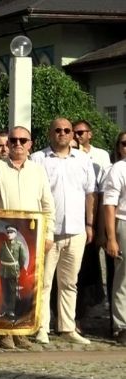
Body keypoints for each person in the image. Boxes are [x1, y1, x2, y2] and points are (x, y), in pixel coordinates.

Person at [0, 126, 56, 349]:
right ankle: (5, 331)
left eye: (23, 140)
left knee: (27, 284)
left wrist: (49, 235)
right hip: (4, 237)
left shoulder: (38, 171)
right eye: (13, 140)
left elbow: (48, 206)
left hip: (32, 238)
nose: (18, 144)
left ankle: (22, 330)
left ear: (30, 144)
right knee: (5, 285)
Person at [30, 118, 96, 345]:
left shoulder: (83, 159)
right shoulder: (38, 159)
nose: (63, 133)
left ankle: (67, 327)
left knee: (69, 283)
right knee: (44, 282)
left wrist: (89, 224)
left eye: (67, 130)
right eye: (58, 130)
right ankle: (41, 327)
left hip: (76, 229)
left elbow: (90, 194)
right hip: (49, 231)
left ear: (72, 134)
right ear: (50, 133)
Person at [73, 119, 111, 321]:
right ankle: (78, 309)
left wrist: (99, 225)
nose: (77, 135)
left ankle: (92, 302)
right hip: (76, 213)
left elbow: (103, 189)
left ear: (90, 134)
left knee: (91, 262)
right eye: (74, 132)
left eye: (81, 132)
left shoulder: (101, 155)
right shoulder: (71, 153)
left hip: (95, 213)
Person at [103, 130, 126, 345]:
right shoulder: (118, 169)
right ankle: (121, 326)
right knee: (123, 279)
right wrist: (111, 237)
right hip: (124, 222)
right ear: (119, 148)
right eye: (124, 143)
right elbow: (109, 205)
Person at [0, 225, 28, 319]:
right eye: (8, 232)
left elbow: (22, 259)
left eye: (11, 232)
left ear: (15, 234)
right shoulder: (3, 244)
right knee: (4, 291)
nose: (9, 234)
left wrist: (17, 268)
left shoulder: (19, 245)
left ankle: (10, 310)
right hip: (3, 271)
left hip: (12, 271)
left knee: (11, 292)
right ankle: (4, 310)